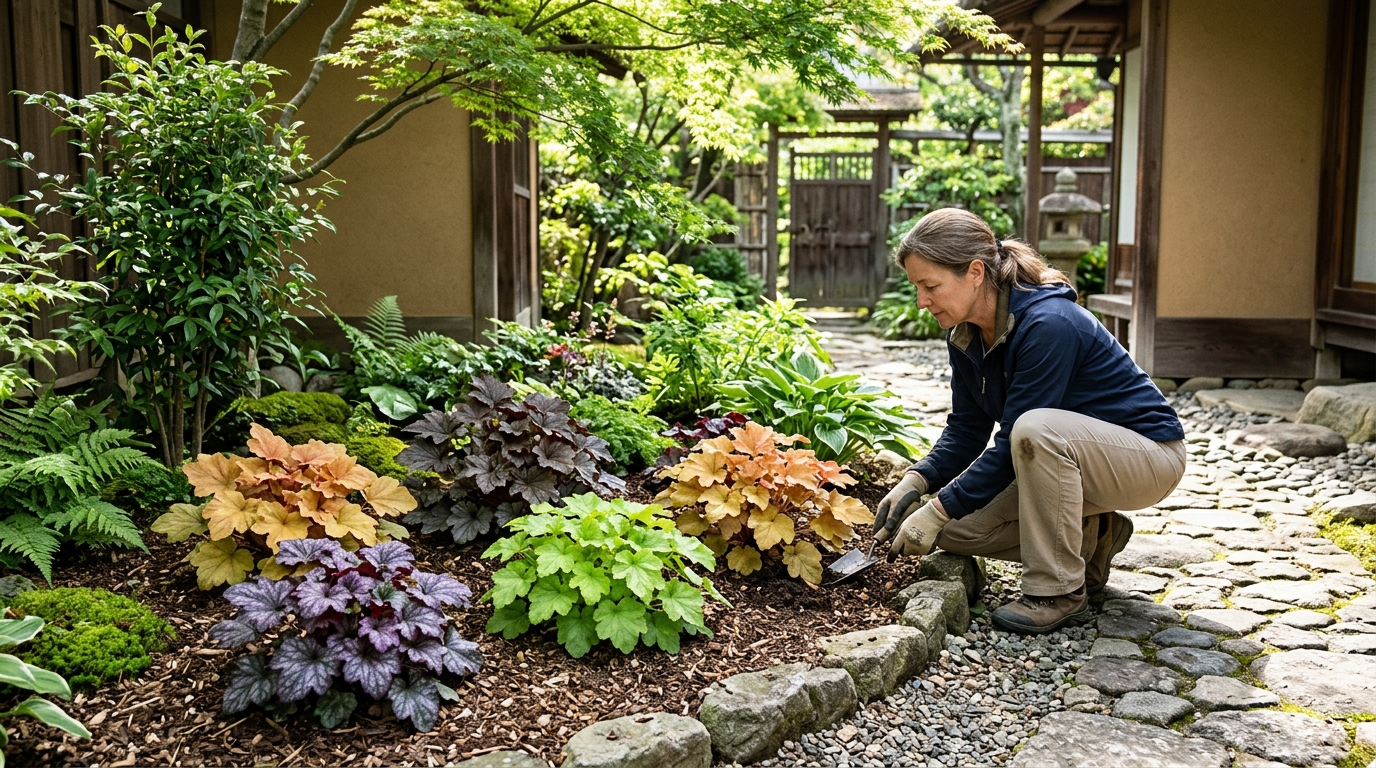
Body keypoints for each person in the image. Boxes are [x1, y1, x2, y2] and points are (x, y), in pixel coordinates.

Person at [872, 208, 1186, 634]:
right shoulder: (963, 335)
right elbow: (967, 429)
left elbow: (1014, 442)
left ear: (976, 272)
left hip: (1146, 457)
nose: (921, 301)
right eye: (917, 288)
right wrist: (918, 481)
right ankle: (1092, 536)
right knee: (953, 532)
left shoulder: (1048, 324)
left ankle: (1056, 591)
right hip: (1064, 462)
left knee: (1034, 429)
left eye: (930, 286)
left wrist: (939, 508)